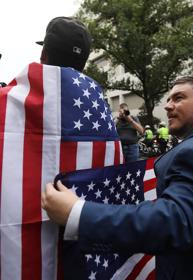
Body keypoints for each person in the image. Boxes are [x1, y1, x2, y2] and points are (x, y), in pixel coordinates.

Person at [42, 76, 193, 280]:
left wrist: (78, 214)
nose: (168, 106)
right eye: (168, 99)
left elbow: (174, 223)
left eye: (178, 98)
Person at [0, 16, 122, 280]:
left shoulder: (5, 103)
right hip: (82, 255)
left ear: (43, 53)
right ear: (84, 61)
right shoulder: (101, 112)